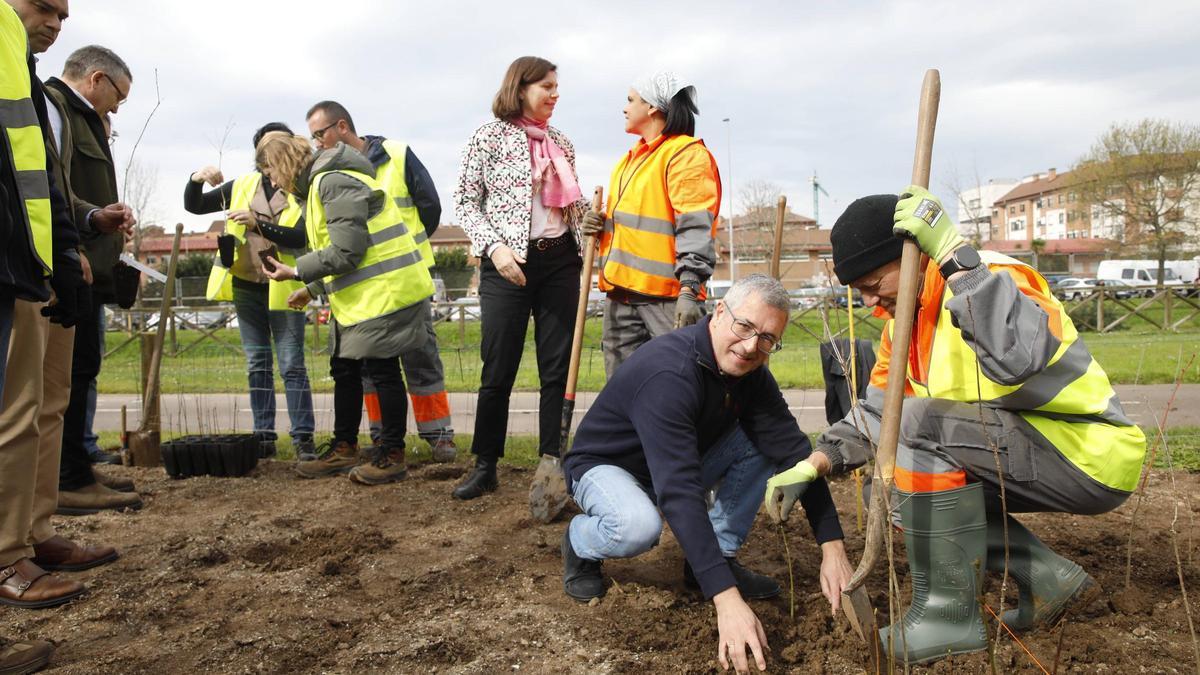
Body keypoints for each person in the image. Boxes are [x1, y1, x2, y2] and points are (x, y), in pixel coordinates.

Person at [818, 189, 1147, 664]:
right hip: (1022, 455)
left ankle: (946, 618)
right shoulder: (903, 327)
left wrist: (956, 256)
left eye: (873, 283)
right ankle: (1049, 580)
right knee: (888, 490)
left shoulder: (994, 279)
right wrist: (817, 459)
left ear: (910, 256)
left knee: (918, 424)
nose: (870, 302)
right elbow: (877, 415)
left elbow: (1018, 358)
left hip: (1088, 453)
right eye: (860, 292)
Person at [561, 274, 852, 675]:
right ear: (718, 312)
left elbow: (794, 453)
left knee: (765, 445)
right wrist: (727, 601)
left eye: (767, 339)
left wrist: (832, 546)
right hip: (607, 467)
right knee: (637, 527)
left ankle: (717, 557)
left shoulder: (751, 376)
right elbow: (678, 492)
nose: (752, 346)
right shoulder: (670, 374)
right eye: (745, 326)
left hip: (674, 464)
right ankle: (579, 543)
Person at [0, 2, 98, 671]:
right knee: (14, 412)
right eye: (45, 7)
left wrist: (67, 243)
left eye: (65, 13)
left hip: (33, 260)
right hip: (13, 262)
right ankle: (8, 553)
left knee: (41, 404)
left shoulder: (29, 80)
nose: (55, 20)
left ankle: (29, 534)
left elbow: (42, 181)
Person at [257, 132, 435, 486]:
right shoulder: (321, 186)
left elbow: (348, 251)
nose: (273, 182)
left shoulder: (331, 182)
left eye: (271, 172)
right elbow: (345, 248)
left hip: (387, 292)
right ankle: (345, 447)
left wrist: (296, 271)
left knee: (383, 371)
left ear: (283, 163)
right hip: (365, 297)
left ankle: (392, 455)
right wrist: (312, 289)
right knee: (344, 368)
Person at [451, 56, 591, 500]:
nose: (555, 94)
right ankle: (485, 465)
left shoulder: (561, 142)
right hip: (506, 264)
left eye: (556, 87)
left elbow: (572, 208)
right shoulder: (488, 136)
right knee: (498, 368)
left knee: (557, 370)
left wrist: (592, 223)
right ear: (520, 86)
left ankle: (552, 465)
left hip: (559, 262)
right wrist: (495, 247)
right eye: (546, 86)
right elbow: (465, 202)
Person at [304, 100, 456, 464]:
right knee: (375, 369)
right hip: (367, 290)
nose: (316, 144)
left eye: (319, 134)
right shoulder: (331, 173)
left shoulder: (396, 155)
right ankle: (382, 437)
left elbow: (429, 207)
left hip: (405, 281)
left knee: (421, 361)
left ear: (342, 127)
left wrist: (405, 249)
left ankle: (438, 437)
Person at [43, 44, 143, 514]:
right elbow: (50, 187)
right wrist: (74, 244)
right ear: (97, 79)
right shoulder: (55, 107)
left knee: (81, 371)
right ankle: (67, 480)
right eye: (119, 96)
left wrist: (101, 217)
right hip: (69, 263)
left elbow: (71, 191)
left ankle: (75, 467)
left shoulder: (83, 119)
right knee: (69, 375)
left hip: (87, 261)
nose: (118, 106)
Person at [184, 123, 316, 461]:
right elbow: (195, 206)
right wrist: (197, 178)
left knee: (291, 365)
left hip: (285, 286)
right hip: (246, 285)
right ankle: (263, 438)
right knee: (258, 363)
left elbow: (300, 237)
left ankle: (303, 439)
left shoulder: (302, 190)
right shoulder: (242, 186)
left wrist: (259, 225)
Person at [579, 71, 720, 377]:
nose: (625, 107)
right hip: (621, 297)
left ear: (654, 107)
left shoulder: (685, 155)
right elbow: (638, 228)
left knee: (681, 385)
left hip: (666, 299)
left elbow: (695, 227)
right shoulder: (629, 160)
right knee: (623, 392)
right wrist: (599, 225)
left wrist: (689, 289)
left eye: (631, 100)